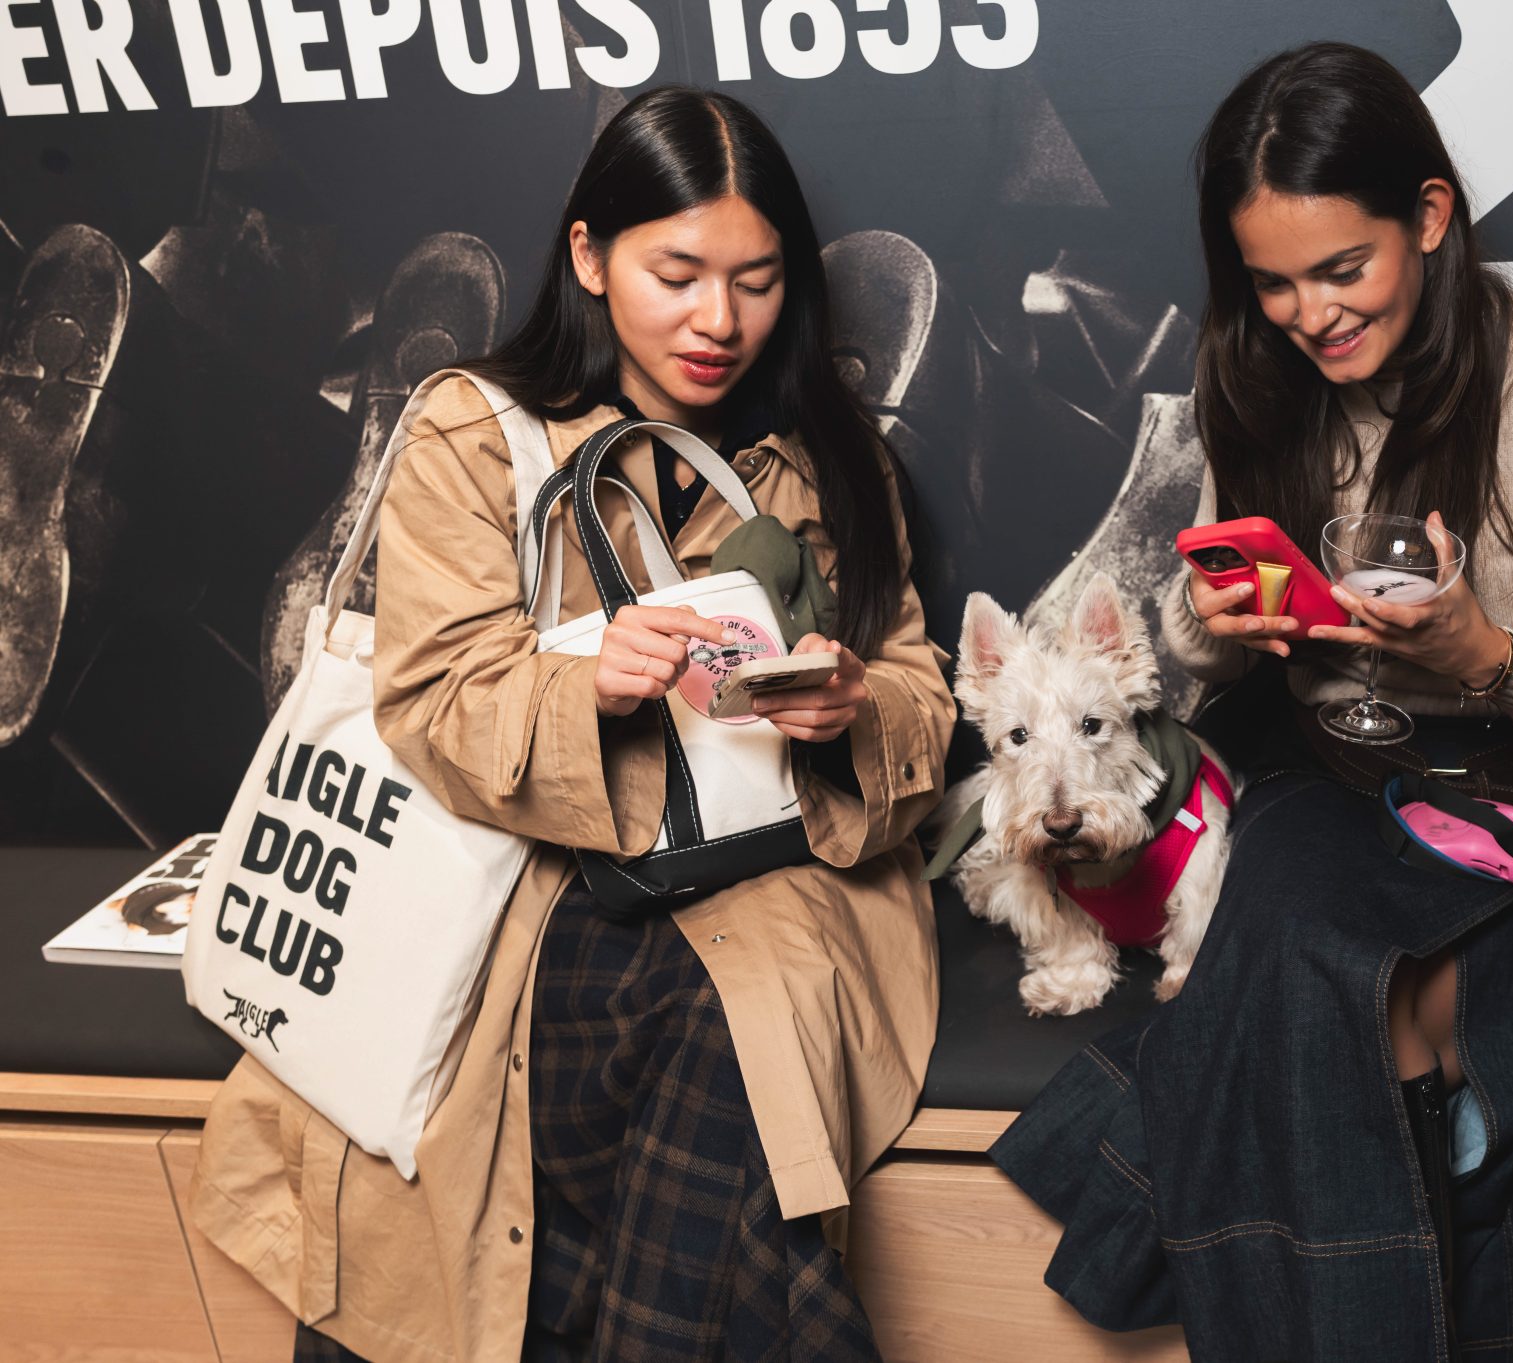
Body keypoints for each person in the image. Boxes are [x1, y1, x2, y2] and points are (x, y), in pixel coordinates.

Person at [184, 87, 953, 1363]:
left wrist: (849, 706)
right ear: (590, 258)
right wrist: (586, 679)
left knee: (727, 1022)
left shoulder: (831, 453)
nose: (719, 320)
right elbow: (429, 696)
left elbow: (921, 693)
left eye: (757, 280)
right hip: (523, 883)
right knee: (534, 1094)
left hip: (769, 876)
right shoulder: (472, 429)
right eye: (677, 273)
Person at [989, 41, 1513, 1361]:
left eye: (1340, 270)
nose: (1308, 314)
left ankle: (1273, 1243)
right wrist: (1214, 622)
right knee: (1307, 943)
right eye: (1272, 283)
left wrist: (1486, 655)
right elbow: (1199, 645)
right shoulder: (1254, 379)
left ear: (1429, 218)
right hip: (1339, 784)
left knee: (1309, 997)